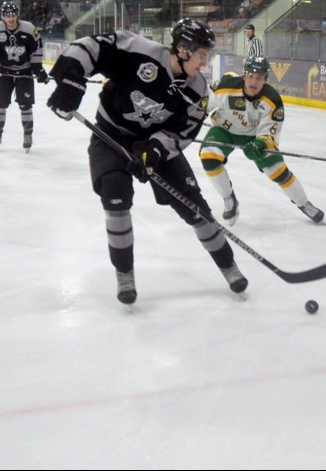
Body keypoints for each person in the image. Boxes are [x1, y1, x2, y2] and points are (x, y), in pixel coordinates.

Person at [45, 18, 248, 306]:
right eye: (202, 55)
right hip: (110, 134)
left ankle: (229, 266)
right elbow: (89, 47)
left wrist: (155, 151)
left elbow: (184, 131)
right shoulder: (138, 50)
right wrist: (71, 78)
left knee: (196, 208)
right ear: (182, 48)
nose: (205, 63)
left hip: (153, 144)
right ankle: (124, 274)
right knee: (115, 196)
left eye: (208, 56)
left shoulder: (198, 90)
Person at [199, 56, 325, 226]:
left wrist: (260, 144)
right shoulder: (225, 84)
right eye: (250, 76)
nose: (253, 81)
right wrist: (195, 114)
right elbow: (204, 101)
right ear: (244, 76)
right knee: (208, 156)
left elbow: (269, 133)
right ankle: (229, 198)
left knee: (277, 170)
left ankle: (304, 203)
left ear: (265, 79)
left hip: (254, 136)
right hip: (224, 129)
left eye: (259, 77)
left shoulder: (272, 100)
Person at [0, 1, 48, 152]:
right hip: (5, 72)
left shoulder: (29, 29)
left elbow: (37, 48)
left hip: (24, 72)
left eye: (13, 15)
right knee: (0, 104)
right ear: (3, 16)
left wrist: (38, 69)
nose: (11, 19)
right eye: (8, 16)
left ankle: (27, 135)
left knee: (25, 105)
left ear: (17, 15)